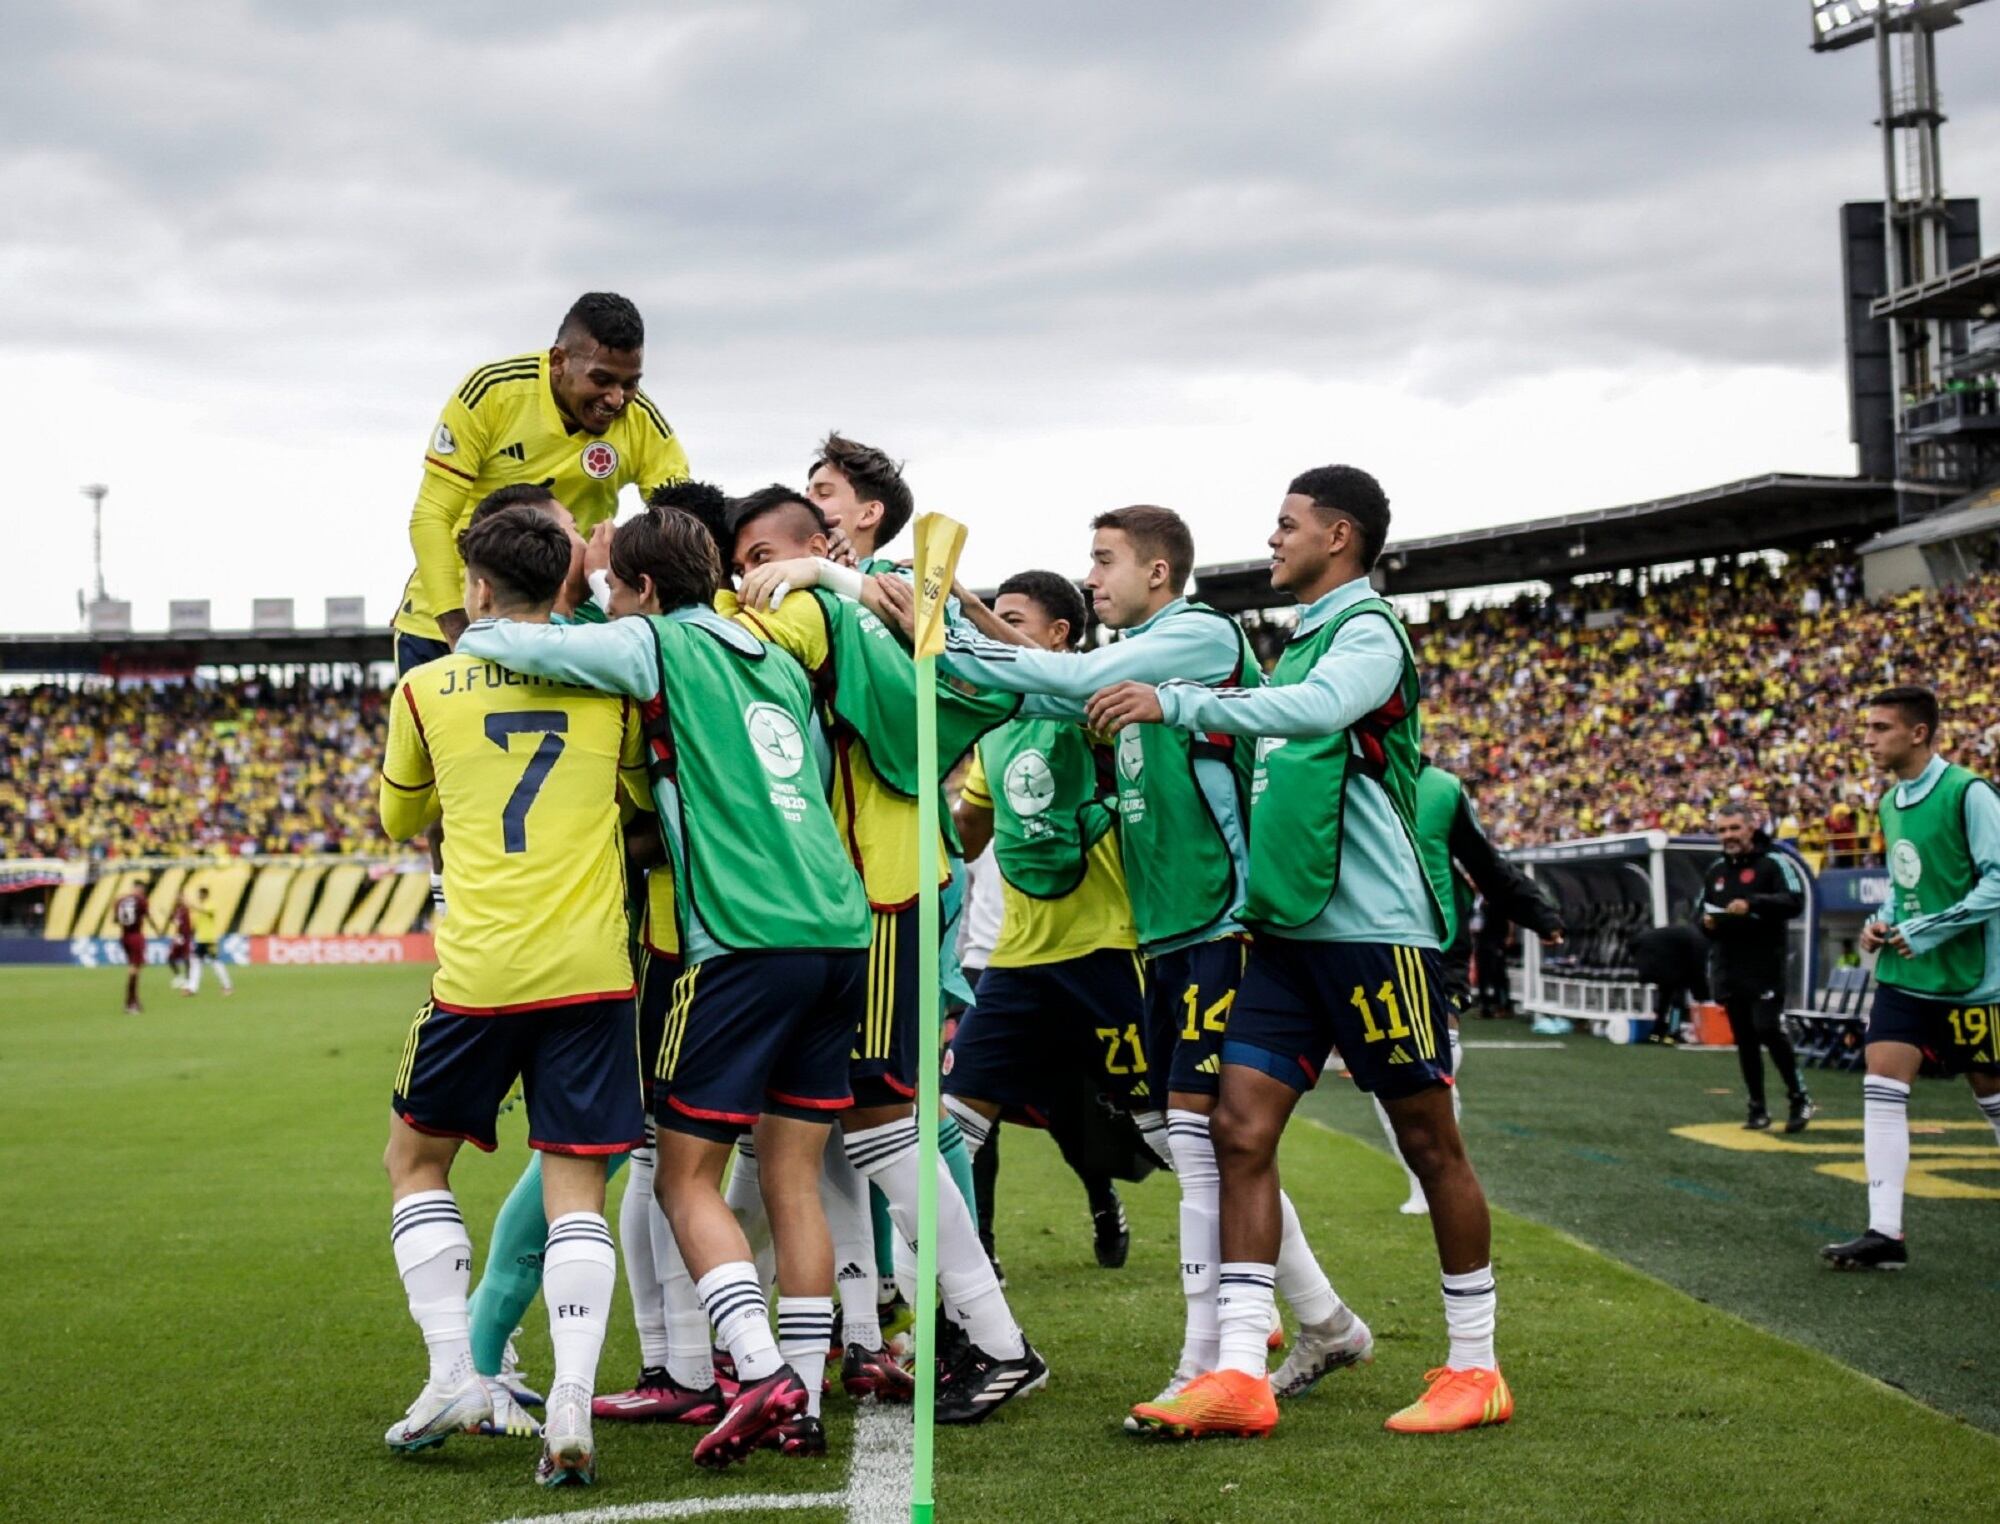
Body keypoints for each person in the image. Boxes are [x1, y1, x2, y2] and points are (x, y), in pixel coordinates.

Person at [893, 509, 1367, 1420]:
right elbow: (1038, 693)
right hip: (1131, 944)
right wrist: (943, 619)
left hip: (1198, 930)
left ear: (1159, 570)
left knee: (1199, 1140)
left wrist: (939, 611)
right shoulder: (1112, 675)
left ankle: (1221, 1353)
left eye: (1105, 561)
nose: (1094, 575)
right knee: (1195, 1141)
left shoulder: (1190, 636)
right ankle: (1312, 1323)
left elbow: (1071, 674)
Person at [1087, 465, 1510, 1438]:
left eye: (1285, 526)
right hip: (1281, 937)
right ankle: (1237, 1370)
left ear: (1340, 535)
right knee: (1235, 1131)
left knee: (1427, 1142)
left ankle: (1475, 1368)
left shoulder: (1365, 636)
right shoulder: (1299, 642)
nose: (1270, 540)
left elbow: (1317, 712)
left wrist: (1176, 703)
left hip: (1373, 935)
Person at [458, 507, 875, 1465]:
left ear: (641, 591)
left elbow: (509, 642)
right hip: (837, 928)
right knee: (794, 1177)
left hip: (741, 936)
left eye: (614, 587)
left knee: (682, 1172)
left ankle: (757, 1370)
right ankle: (801, 1403)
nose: (608, 601)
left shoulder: (652, 641)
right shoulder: (769, 648)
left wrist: (522, 598)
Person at [720, 487, 1040, 1423]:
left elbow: (1002, 671)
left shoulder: (827, 606)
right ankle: (871, 1333)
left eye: (761, 551)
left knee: (881, 1123)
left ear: (824, 539)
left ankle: (995, 1340)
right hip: (889, 885)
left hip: (876, 891)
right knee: (854, 1132)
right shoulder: (878, 601)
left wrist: (820, 582)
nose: (752, 574)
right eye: (740, 558)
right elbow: (1004, 670)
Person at [377, 503, 649, 1488]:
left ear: (479, 588)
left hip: (480, 972)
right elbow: (637, 796)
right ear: (562, 583)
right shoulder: (607, 685)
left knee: (416, 1161)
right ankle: (571, 1401)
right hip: (589, 969)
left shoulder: (424, 688)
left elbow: (401, 811)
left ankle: (456, 1371)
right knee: (576, 1183)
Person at [391, 292, 691, 917]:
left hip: (556, 622)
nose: (617, 399)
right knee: (454, 793)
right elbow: (431, 515)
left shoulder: (642, 424)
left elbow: (681, 523)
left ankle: (592, 911)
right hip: (444, 616)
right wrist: (458, 630)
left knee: (602, 775)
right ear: (559, 360)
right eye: (602, 380)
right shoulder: (492, 393)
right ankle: (458, 917)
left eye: (631, 384)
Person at [1822, 685, 2000, 1270]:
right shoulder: (1890, 802)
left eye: (1879, 728)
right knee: (1881, 1084)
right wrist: (1880, 924)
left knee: (1992, 1096)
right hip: (1906, 977)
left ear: (1918, 732)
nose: (1867, 738)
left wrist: (1926, 930)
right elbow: (1906, 891)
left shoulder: (1970, 793)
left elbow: (1996, 883)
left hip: (1975, 982)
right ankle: (1885, 1234)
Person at [1390, 759, 1564, 1213]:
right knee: (1390, 1074)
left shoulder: (1443, 790)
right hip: (1373, 946)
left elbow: (1485, 865)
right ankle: (1418, 1177)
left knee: (1439, 1060)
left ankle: (1434, 1180)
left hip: (1439, 946)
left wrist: (1537, 914)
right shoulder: (1346, 775)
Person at [1699, 802, 1811, 1132]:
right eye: (1722, 830)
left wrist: (1753, 904)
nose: (1728, 836)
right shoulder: (1716, 871)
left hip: (1765, 966)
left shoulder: (1775, 862)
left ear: (1751, 827)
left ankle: (1799, 1098)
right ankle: (1757, 1107)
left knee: (1767, 1029)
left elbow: (1795, 900)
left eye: (1734, 828)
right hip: (1730, 968)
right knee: (1745, 1039)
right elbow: (1700, 916)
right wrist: (1708, 923)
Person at [1628, 921, 1711, 1044]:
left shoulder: (1687, 932)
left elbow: (1632, 944)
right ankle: (1672, 1034)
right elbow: (1698, 970)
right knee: (1677, 999)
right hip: (1667, 963)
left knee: (1664, 997)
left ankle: (1655, 1035)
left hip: (1651, 958)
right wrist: (1703, 995)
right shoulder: (1700, 940)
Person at [181, 885, 233, 998]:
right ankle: (192, 988)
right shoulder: (200, 908)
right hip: (200, 939)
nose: (199, 896)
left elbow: (203, 910)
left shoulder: (211, 905)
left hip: (210, 939)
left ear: (205, 895)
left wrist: (189, 903)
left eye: (200, 894)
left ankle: (227, 986)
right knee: (196, 962)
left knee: (215, 963)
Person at [113, 881, 149, 1014]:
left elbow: (116, 920)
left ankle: (135, 1001)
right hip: (136, 936)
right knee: (135, 969)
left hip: (124, 936)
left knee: (134, 967)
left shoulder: (120, 900)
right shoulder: (141, 900)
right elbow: (147, 916)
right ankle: (130, 1003)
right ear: (140, 888)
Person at [167, 896, 194, 991]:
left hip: (185, 936)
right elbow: (175, 921)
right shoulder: (178, 910)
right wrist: (171, 917)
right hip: (178, 937)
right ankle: (179, 977)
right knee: (170, 958)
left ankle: (188, 979)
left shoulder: (185, 910)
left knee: (186, 958)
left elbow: (179, 922)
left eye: (182, 898)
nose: (180, 900)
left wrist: (173, 918)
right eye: (179, 898)